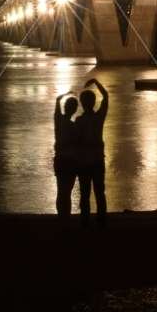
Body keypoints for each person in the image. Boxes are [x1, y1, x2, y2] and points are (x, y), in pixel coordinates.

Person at [77, 77, 108, 229]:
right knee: (100, 193)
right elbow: (106, 97)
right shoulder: (99, 117)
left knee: (84, 194)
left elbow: (76, 142)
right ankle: (102, 221)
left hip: (83, 162)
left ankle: (85, 222)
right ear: (94, 102)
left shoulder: (78, 121)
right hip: (98, 160)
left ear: (82, 104)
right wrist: (96, 82)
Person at [53, 92, 79, 225]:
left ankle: (61, 219)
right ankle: (66, 219)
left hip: (60, 160)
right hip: (71, 161)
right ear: (74, 110)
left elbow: (57, 102)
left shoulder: (59, 121)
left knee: (61, 191)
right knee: (67, 193)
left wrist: (64, 96)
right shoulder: (74, 126)